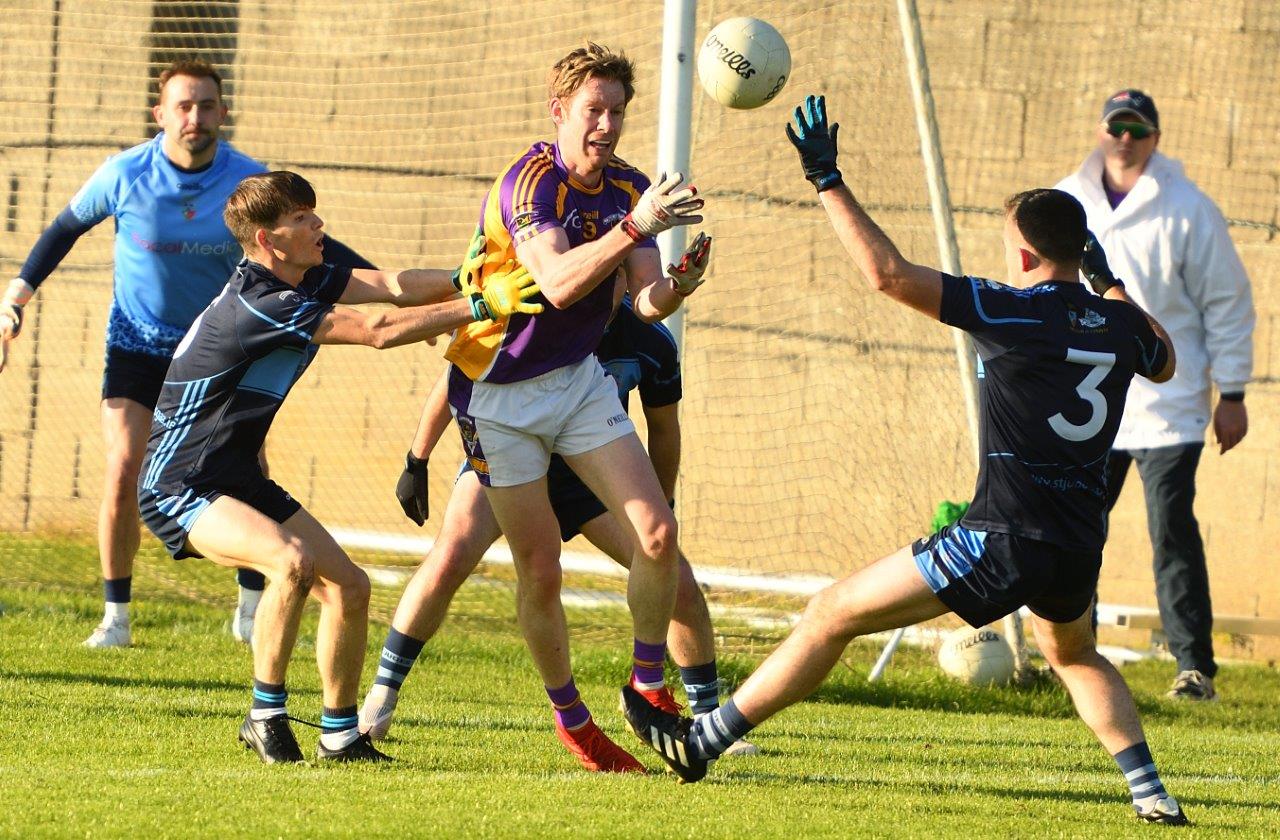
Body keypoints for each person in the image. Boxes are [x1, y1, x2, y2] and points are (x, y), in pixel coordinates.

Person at [622, 95, 1189, 826]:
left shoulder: (1010, 309)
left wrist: (827, 178)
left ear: (1022, 254)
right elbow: (1166, 360)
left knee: (830, 614)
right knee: (1075, 655)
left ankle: (703, 741)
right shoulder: (1116, 323)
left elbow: (887, 274)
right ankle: (1152, 795)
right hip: (1076, 542)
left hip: (1000, 536)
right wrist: (1104, 282)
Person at [135, 170, 541, 763]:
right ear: (270, 240)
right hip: (178, 485)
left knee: (350, 587)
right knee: (291, 563)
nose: (318, 225)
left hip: (234, 480)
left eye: (312, 213)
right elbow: (375, 331)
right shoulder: (261, 303)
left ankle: (340, 735)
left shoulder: (302, 277)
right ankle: (265, 717)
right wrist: (477, 305)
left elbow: (388, 286)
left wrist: (462, 279)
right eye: (302, 219)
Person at [0, 59, 374, 648]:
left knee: (246, 470)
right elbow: (61, 230)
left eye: (205, 106)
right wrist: (15, 299)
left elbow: (324, 249)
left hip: (215, 354)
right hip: (139, 344)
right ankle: (116, 617)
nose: (194, 117)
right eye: (182, 106)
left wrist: (392, 296)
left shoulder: (249, 184)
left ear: (223, 113)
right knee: (126, 465)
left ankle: (253, 607)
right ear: (160, 114)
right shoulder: (124, 173)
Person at [438, 40, 711, 768]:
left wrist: (679, 283)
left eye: (617, 112)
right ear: (560, 110)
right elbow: (558, 283)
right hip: (496, 396)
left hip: (577, 381)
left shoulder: (628, 186)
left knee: (658, 535)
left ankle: (648, 686)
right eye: (594, 110)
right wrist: (637, 228)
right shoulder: (528, 184)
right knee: (541, 568)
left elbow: (646, 303)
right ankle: (572, 720)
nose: (607, 125)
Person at [360, 290, 756, 771]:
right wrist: (416, 458)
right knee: (451, 554)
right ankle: (378, 703)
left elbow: (664, 430)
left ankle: (709, 721)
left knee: (675, 573)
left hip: (590, 478)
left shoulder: (650, 341)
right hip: (509, 458)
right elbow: (458, 373)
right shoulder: (534, 312)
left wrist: (662, 507)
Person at [1055, 89, 1255, 702]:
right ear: (1100, 131)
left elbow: (1227, 303)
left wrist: (1234, 391)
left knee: (1171, 532)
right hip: (1091, 400)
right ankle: (1067, 653)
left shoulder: (1189, 208)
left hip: (1170, 401)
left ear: (1155, 139)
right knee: (1076, 527)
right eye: (1117, 126)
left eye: (1138, 129)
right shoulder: (1068, 198)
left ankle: (1194, 669)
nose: (1126, 138)